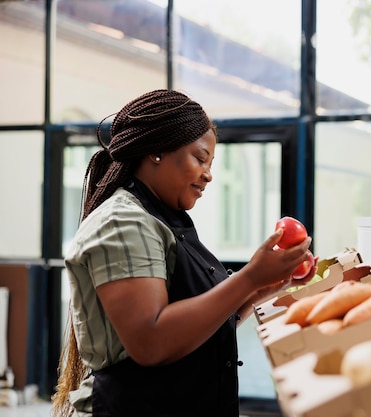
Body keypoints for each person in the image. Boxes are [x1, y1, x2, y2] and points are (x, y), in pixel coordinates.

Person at [52, 89, 316, 417]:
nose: (209, 174)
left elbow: (193, 329)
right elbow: (151, 341)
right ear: (158, 151)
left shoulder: (165, 219)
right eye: (200, 158)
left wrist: (262, 288)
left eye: (211, 163)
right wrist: (248, 278)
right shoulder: (123, 222)